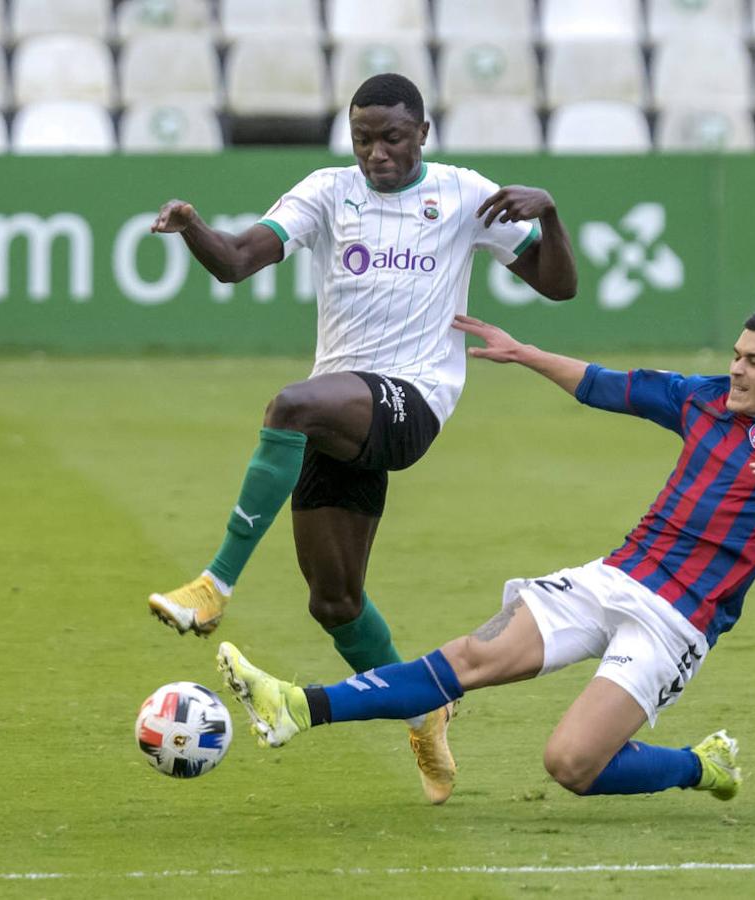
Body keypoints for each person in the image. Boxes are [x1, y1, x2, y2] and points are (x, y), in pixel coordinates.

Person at [214, 309, 755, 804]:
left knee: (572, 764)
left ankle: (700, 766)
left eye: (753, 362)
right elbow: (607, 385)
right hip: (611, 577)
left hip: (676, 621)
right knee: (470, 659)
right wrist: (526, 354)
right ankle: (297, 707)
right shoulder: (703, 399)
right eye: (735, 354)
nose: (735, 368)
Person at [145, 73, 578, 804]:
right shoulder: (326, 192)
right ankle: (424, 709)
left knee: (288, 405)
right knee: (334, 602)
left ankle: (214, 585)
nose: (377, 152)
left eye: (392, 137)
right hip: (342, 408)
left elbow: (559, 287)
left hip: (414, 400)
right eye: (363, 138)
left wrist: (553, 217)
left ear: (423, 135)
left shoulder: (465, 192)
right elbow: (238, 261)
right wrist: (193, 227)